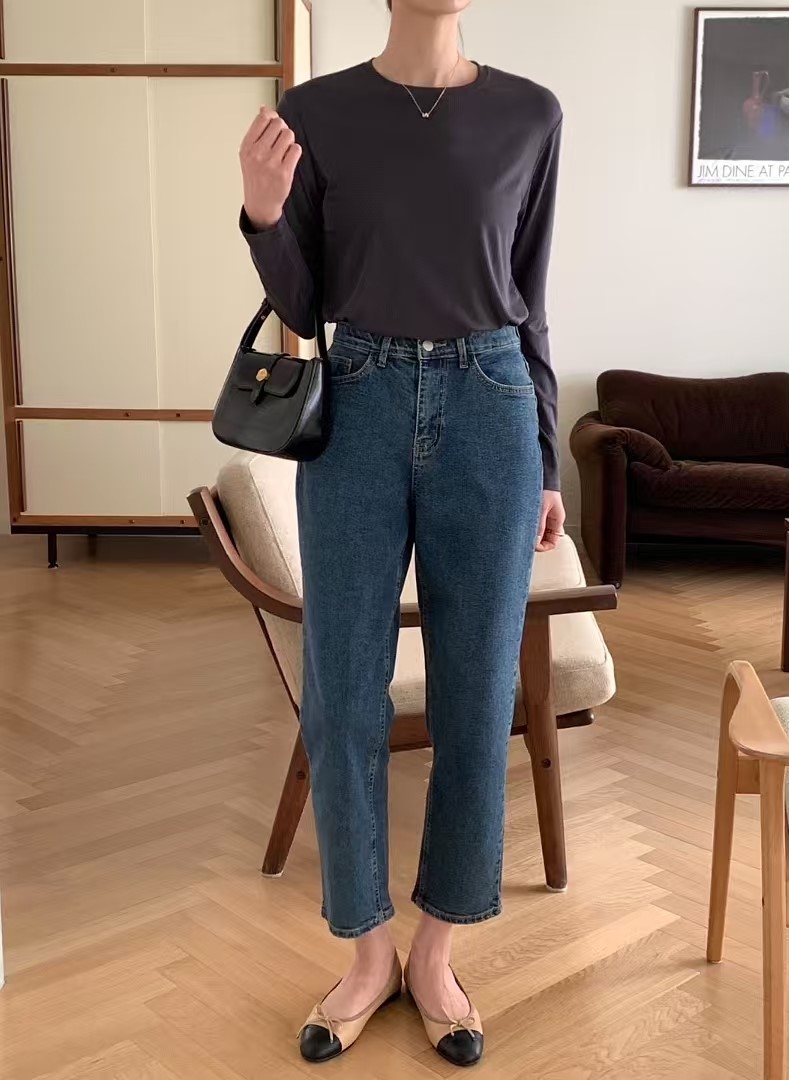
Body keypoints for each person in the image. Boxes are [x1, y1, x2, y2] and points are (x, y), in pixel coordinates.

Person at [238, 0, 564, 1066]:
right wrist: (263, 213)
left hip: (492, 402)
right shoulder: (314, 112)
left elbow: (532, 297)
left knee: (478, 693)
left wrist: (547, 454)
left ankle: (436, 953)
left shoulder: (531, 114)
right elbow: (304, 304)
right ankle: (367, 952)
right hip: (360, 403)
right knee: (341, 692)